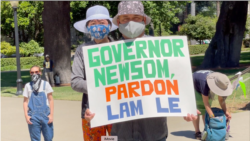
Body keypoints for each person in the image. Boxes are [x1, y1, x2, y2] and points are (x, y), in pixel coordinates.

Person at [85, 1, 200, 141]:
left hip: (155, 134)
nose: (130, 22)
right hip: (122, 135)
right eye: (125, 18)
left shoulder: (163, 51)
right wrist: (94, 111)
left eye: (136, 18)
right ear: (119, 22)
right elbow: (102, 90)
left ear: (144, 20)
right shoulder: (107, 54)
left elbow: (176, 82)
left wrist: (186, 108)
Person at [71, 5, 118, 141]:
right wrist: (102, 85)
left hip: (119, 111)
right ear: (88, 27)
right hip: (91, 112)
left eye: (102, 23)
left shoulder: (120, 48)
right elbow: (75, 82)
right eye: (93, 23)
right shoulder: (82, 50)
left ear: (109, 25)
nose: (97, 26)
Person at [192, 70, 232, 139]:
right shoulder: (204, 83)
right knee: (198, 107)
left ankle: (207, 130)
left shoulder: (221, 81)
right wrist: (212, 117)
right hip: (193, 84)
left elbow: (221, 99)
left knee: (207, 110)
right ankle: (197, 132)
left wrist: (226, 111)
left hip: (205, 82)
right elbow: (206, 103)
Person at [23, 65, 54, 141]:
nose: (34, 74)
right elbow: (25, 101)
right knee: (35, 139)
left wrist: (51, 115)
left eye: (36, 72)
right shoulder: (28, 86)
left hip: (45, 115)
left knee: (49, 137)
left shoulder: (45, 84)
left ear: (40, 72)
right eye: (32, 72)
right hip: (33, 116)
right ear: (30, 73)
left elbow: (51, 100)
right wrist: (26, 116)